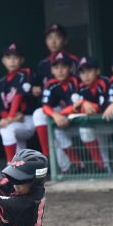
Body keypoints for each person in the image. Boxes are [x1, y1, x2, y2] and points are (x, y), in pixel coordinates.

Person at [32, 23, 79, 165]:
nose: (53, 41)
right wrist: (36, 90)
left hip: (75, 107)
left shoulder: (74, 61)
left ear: (65, 40)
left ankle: (79, 165)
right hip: (55, 108)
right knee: (39, 115)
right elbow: (38, 86)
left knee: (57, 129)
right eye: (49, 37)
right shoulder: (43, 64)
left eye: (57, 37)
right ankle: (47, 156)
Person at [35, 52, 84, 174]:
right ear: (52, 70)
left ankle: (98, 166)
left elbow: (76, 106)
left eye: (63, 67)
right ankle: (50, 157)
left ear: (71, 68)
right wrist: (55, 115)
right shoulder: (51, 83)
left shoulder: (77, 81)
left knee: (58, 127)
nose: (60, 71)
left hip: (81, 121)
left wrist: (58, 114)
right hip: (63, 119)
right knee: (41, 116)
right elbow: (45, 106)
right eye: (56, 67)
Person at [0, 43, 37, 163]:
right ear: (3, 61)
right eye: (8, 57)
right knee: (8, 131)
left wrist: (9, 119)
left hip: (28, 119)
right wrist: (10, 119)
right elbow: (2, 108)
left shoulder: (25, 73)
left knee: (6, 129)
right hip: (15, 120)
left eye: (15, 57)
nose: (12, 60)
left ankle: (10, 165)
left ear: (22, 60)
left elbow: (19, 96)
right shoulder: (0, 83)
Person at [70, 56, 112, 173]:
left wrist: (86, 103)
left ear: (97, 71)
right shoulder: (80, 87)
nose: (86, 75)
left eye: (89, 70)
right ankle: (103, 169)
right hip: (97, 124)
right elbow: (73, 107)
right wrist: (84, 103)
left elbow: (105, 106)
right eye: (82, 72)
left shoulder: (105, 82)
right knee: (85, 130)